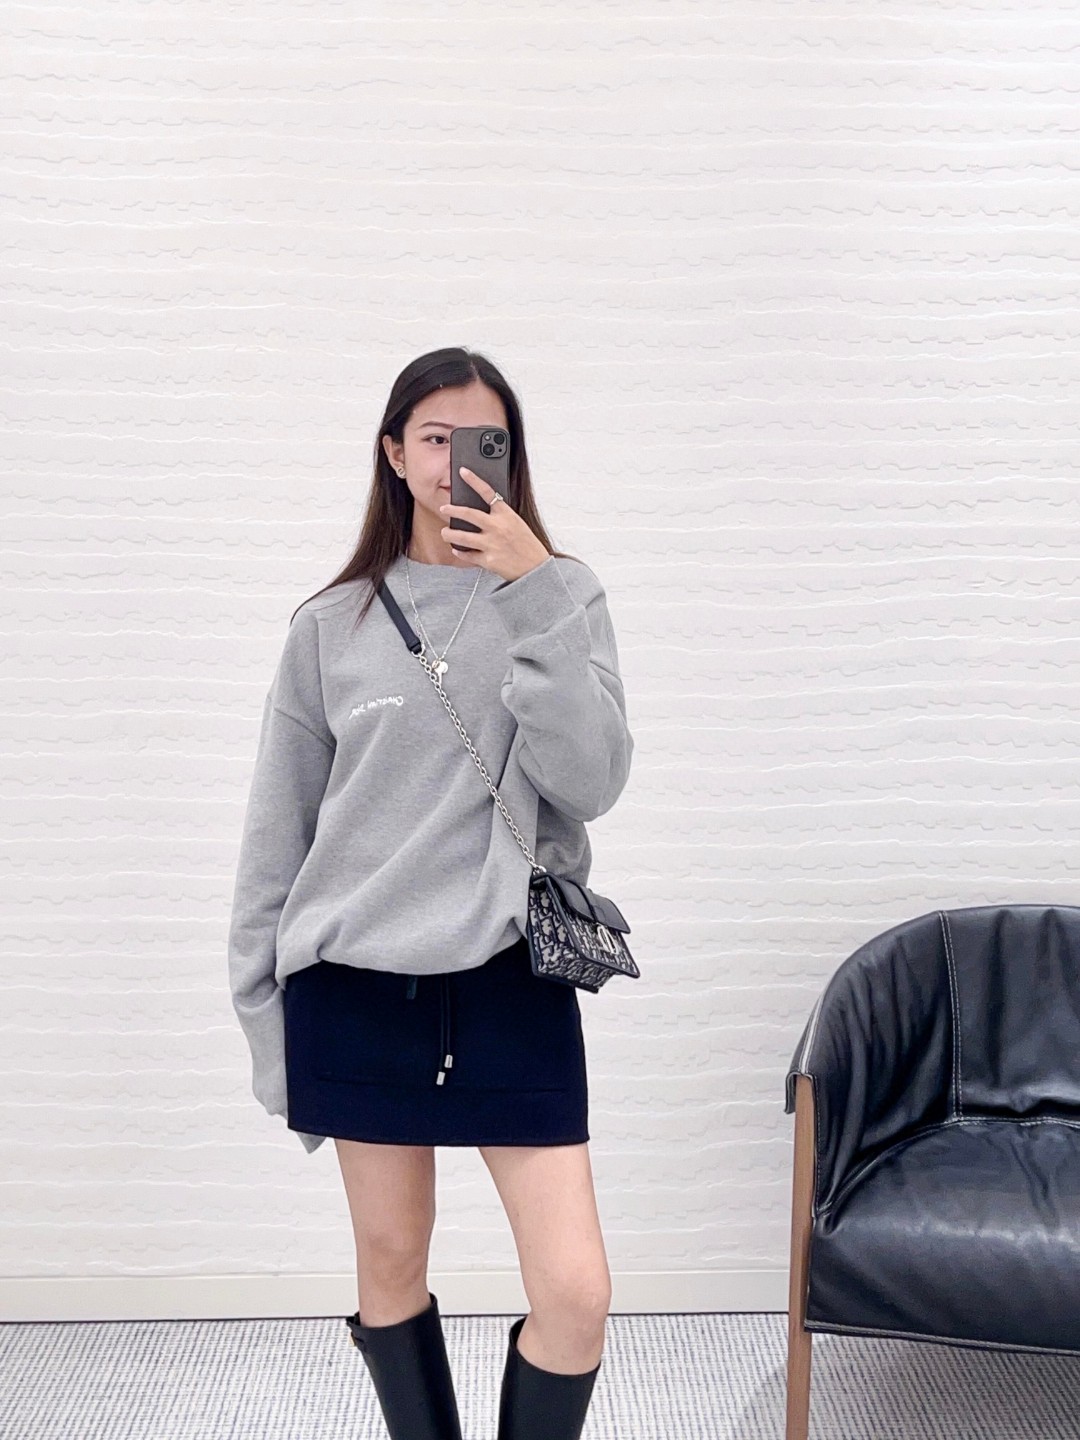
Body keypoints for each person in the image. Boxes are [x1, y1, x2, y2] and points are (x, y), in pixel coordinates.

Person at [226, 345, 634, 1440]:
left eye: (480, 440)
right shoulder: (329, 628)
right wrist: (266, 1026)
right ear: (395, 455)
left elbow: (591, 783)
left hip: (511, 980)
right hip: (355, 989)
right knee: (391, 1261)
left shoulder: (564, 596)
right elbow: (275, 844)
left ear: (512, 454)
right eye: (435, 438)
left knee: (576, 1291)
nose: (456, 462)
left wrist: (532, 594)